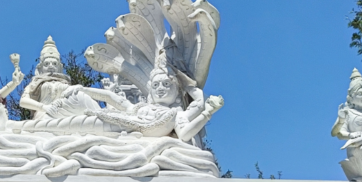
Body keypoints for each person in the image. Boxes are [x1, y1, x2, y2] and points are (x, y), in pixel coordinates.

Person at [25, 48, 223, 142]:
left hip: (116, 126)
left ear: (176, 89)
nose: (161, 88)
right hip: (111, 118)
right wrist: (84, 89)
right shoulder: (143, 107)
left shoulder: (176, 114)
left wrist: (208, 111)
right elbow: (115, 99)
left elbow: (186, 133)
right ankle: (19, 128)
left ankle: (19, 128)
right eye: (156, 85)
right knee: (76, 101)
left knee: (52, 126)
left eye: (166, 84)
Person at [20, 36, 98, 120]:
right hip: (45, 113)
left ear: (60, 67)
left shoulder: (64, 82)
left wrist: (77, 88)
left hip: (65, 109)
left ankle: (101, 116)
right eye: (46, 64)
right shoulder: (35, 83)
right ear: (40, 68)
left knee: (81, 96)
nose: (51, 66)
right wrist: (44, 107)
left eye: (54, 63)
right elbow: (23, 101)